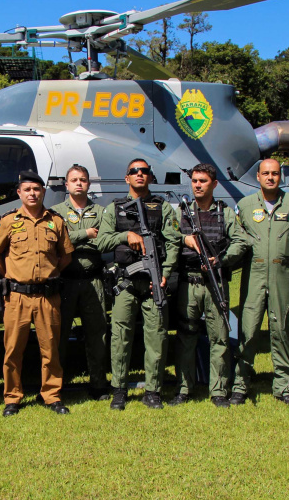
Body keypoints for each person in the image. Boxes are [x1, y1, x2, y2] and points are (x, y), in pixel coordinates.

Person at [96, 159, 180, 411]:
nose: (140, 174)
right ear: (127, 178)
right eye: (134, 171)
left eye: (144, 171)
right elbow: (101, 242)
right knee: (120, 337)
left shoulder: (163, 207)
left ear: (150, 177)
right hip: (126, 282)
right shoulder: (114, 208)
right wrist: (126, 235)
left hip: (154, 283)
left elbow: (173, 242)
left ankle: (153, 391)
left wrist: (165, 273)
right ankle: (119, 390)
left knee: (157, 336)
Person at [0, 170, 75, 416]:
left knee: (50, 349)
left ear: (43, 192)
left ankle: (51, 395)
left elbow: (66, 255)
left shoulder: (55, 221)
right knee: (13, 350)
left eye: (36, 189)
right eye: (27, 189)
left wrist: (51, 273)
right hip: (17, 296)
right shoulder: (9, 221)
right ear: (19, 193)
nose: (32, 193)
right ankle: (12, 398)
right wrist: (10, 274)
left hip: (48, 296)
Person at [231, 159, 289, 407]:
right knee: (248, 330)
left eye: (275, 173)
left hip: (281, 276)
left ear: (280, 176)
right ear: (257, 176)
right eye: (265, 173)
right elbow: (237, 239)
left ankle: (284, 387)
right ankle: (240, 385)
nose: (270, 177)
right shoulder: (245, 206)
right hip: (254, 274)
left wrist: (285, 257)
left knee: (282, 329)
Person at [170, 163, 250, 408]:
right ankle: (184, 388)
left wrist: (221, 260)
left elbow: (241, 241)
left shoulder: (225, 213)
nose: (197, 185)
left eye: (203, 181)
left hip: (215, 281)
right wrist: (185, 239)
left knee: (219, 337)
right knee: (186, 337)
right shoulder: (181, 212)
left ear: (214, 184)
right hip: (188, 283)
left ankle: (218, 391)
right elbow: (168, 236)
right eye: (194, 181)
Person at [49, 165, 110, 400]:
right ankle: (56, 386)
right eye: (74, 180)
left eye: (83, 180)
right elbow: (56, 242)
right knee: (59, 334)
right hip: (65, 281)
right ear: (66, 184)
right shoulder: (55, 212)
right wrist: (85, 234)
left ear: (88, 184)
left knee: (97, 334)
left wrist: (72, 241)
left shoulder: (102, 212)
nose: (78, 183)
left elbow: (104, 242)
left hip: (93, 280)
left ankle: (98, 384)